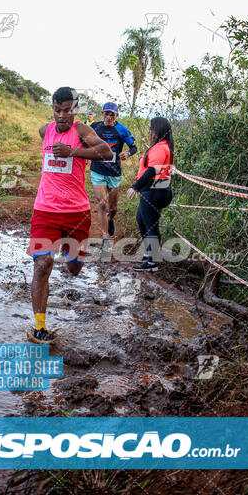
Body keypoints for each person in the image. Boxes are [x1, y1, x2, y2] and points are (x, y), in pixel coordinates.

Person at [29, 87, 113, 342]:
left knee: (75, 268)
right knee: (43, 264)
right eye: (57, 111)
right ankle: (40, 327)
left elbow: (107, 153)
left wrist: (73, 152)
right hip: (45, 210)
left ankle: (71, 255)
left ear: (75, 109)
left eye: (67, 111)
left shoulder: (82, 132)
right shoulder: (45, 131)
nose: (61, 116)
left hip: (76, 213)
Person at [127, 117, 174, 271]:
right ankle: (150, 254)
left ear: (157, 130)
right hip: (155, 188)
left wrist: (136, 186)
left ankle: (152, 261)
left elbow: (152, 170)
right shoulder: (160, 146)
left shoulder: (161, 148)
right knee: (142, 220)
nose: (149, 131)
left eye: (151, 128)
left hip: (155, 189)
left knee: (151, 224)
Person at [90, 102, 137, 250]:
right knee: (102, 203)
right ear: (102, 113)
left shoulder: (122, 129)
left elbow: (133, 147)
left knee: (113, 207)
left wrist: (128, 153)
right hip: (97, 170)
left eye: (112, 114)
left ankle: (110, 219)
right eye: (107, 113)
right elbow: (82, 140)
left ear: (116, 115)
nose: (109, 117)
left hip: (114, 172)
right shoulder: (95, 127)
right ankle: (105, 238)